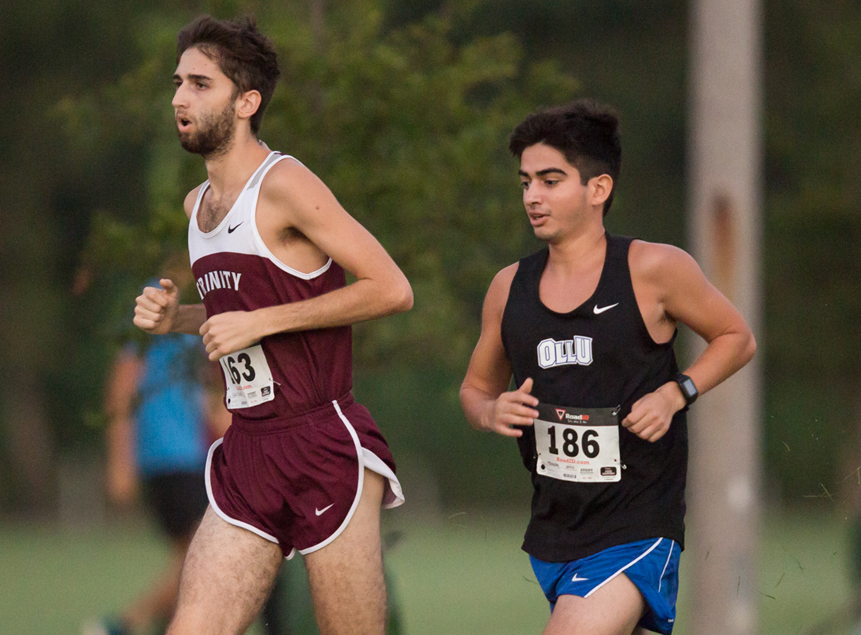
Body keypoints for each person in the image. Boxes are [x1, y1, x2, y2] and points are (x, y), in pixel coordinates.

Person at [132, 15, 412, 635]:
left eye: (201, 84)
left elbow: (392, 289)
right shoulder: (196, 207)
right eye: (178, 82)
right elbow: (237, 320)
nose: (180, 97)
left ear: (246, 102)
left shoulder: (284, 184)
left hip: (323, 445)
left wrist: (261, 321)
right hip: (248, 451)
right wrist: (176, 317)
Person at [459, 100, 756, 635]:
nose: (532, 196)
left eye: (550, 180)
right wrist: (491, 411)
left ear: (598, 189)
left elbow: (736, 337)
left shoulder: (653, 268)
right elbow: (476, 390)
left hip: (639, 524)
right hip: (554, 531)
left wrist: (676, 392)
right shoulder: (508, 288)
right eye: (526, 181)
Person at [88, 266, 231, 635]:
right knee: (206, 555)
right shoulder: (152, 299)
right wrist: (120, 461)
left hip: (194, 453)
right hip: (167, 453)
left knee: (200, 559)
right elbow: (121, 384)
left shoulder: (201, 303)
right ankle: (123, 624)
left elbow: (210, 391)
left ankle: (148, 624)